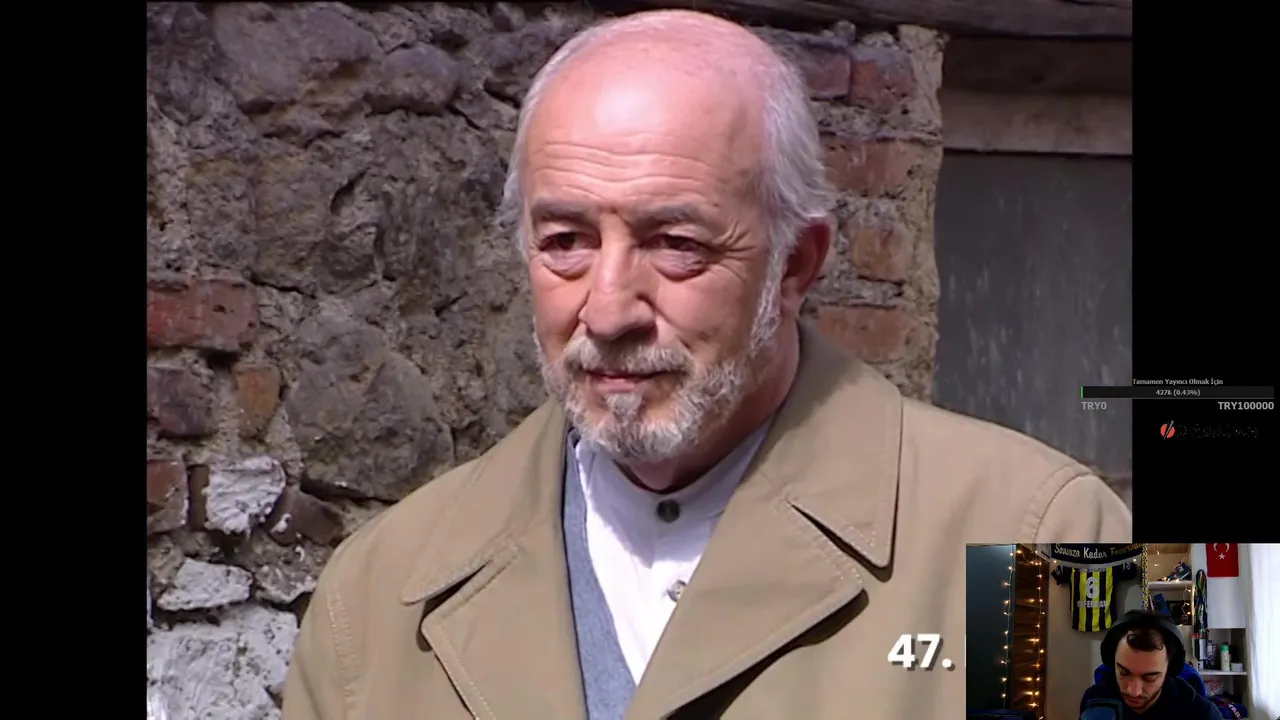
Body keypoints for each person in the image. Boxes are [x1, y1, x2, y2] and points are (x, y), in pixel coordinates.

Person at [283, 9, 1131, 720]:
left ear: (797, 263)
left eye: (675, 243)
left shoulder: (1056, 534)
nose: (608, 310)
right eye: (566, 241)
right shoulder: (379, 595)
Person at [1080, 611, 1218, 719]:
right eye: (1123, 673)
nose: (1134, 692)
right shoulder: (1094, 700)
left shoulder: (1201, 713)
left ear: (1169, 669)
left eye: (1149, 678)